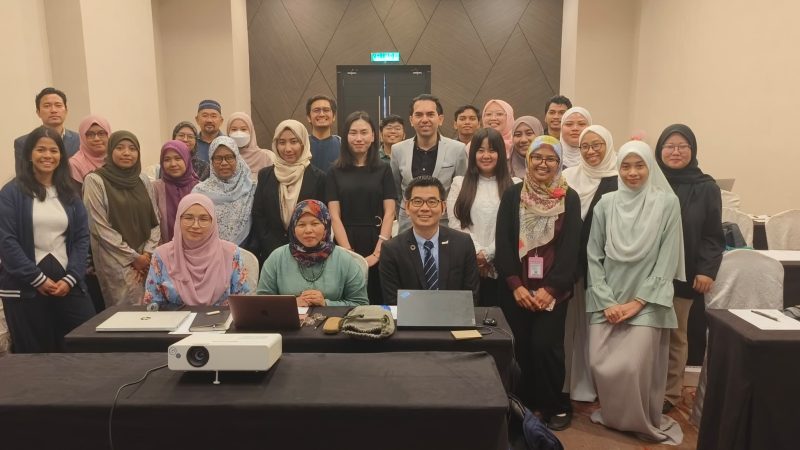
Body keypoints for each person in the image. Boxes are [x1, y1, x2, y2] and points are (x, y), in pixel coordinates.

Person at [585, 140, 685, 445]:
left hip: (648, 300)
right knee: (600, 364)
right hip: (608, 297)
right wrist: (607, 300)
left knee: (634, 367)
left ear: (649, 167)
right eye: (626, 166)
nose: (632, 172)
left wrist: (638, 302)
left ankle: (640, 420)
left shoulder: (667, 203)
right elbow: (593, 254)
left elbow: (668, 257)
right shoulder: (606, 204)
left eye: (639, 165)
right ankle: (614, 416)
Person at [494, 135, 582, 431]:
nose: (543, 164)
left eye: (550, 159)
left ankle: (554, 405)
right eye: (537, 157)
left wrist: (551, 289)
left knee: (546, 347)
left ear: (559, 163)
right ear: (528, 160)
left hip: (552, 291)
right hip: (517, 289)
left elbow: (571, 248)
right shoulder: (513, 194)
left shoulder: (569, 197)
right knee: (518, 347)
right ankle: (523, 404)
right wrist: (516, 285)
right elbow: (503, 242)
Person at [0, 126, 95, 352]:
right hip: (26, 288)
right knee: (36, 357)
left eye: (53, 150)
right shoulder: (11, 192)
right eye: (40, 150)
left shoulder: (69, 193)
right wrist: (38, 279)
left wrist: (71, 277)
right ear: (29, 155)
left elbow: (82, 238)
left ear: (61, 155)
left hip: (68, 283)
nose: (47, 156)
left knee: (87, 342)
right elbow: (6, 241)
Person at [655, 124, 724, 414]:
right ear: (659, 150)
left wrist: (706, 270)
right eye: (669, 146)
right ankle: (643, 385)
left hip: (683, 273)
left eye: (682, 146)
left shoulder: (706, 187)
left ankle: (670, 392)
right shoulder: (650, 180)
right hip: (647, 272)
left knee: (675, 334)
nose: (675, 152)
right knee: (645, 334)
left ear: (692, 150)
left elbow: (712, 235)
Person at [562, 125, 618, 403]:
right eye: (585, 146)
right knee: (571, 326)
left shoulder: (618, 179)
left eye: (597, 145)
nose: (591, 151)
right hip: (570, 265)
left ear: (608, 145)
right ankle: (570, 381)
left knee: (598, 328)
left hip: (606, 268)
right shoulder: (568, 177)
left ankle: (598, 385)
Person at [83, 131, 160, 307]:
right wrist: (134, 258)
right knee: (127, 312)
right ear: (110, 151)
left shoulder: (142, 179)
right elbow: (98, 227)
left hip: (146, 258)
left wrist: (147, 254)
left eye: (132, 149)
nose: (126, 153)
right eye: (120, 148)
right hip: (115, 260)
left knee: (152, 309)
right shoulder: (95, 180)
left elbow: (155, 219)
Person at [327, 112, 396, 304]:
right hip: (345, 240)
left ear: (373, 136)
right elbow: (334, 215)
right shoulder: (334, 171)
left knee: (378, 297)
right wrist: (348, 253)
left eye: (364, 132)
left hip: (379, 238)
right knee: (347, 298)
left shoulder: (384, 169)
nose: (359, 138)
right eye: (353, 133)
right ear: (345, 136)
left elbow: (390, 212)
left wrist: (377, 253)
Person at [380, 176, 480, 305]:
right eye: (417, 201)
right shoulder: (392, 249)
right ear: (407, 207)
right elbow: (393, 299)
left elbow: (471, 296)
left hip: (454, 314)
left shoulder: (463, 244)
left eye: (432, 202)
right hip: (410, 316)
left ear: (443, 207)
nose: (425, 208)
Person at [447, 128, 519, 307]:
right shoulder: (459, 184)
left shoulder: (515, 185)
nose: (486, 155)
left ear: (501, 153)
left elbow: (514, 228)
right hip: (467, 264)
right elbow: (456, 224)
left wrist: (488, 254)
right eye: (481, 150)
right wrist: (477, 253)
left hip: (504, 267)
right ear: (473, 154)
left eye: (492, 150)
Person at [143, 193, 250, 308]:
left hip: (220, 319)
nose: (195, 225)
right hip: (174, 319)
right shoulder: (162, 255)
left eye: (203, 219)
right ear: (178, 219)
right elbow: (152, 305)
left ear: (213, 222)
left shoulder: (231, 254)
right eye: (188, 218)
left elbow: (242, 303)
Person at [257, 200, 368, 306]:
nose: (308, 230)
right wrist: (291, 304)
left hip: (334, 319)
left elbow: (361, 304)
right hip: (288, 319)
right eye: (301, 225)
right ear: (293, 228)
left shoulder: (344, 259)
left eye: (315, 223)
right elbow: (262, 302)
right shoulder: (277, 258)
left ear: (326, 226)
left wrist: (326, 303)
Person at [252, 119, 326, 263]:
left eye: (294, 141)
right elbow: (258, 214)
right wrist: (270, 244)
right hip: (272, 252)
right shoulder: (265, 175)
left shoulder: (319, 178)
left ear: (303, 143)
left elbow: (322, 218)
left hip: (308, 252)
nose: (288, 149)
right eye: (282, 142)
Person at [390, 94, 467, 232]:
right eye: (419, 115)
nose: (424, 119)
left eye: (430, 114)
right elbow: (396, 192)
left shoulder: (457, 149)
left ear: (440, 119)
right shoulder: (398, 150)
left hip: (444, 223)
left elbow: (462, 190)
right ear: (411, 120)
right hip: (408, 224)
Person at [192, 136, 255, 245]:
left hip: (246, 251)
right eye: (218, 158)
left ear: (238, 159)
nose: (224, 163)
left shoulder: (251, 189)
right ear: (211, 161)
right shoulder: (199, 192)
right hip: (206, 249)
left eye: (229, 157)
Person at [14, 88, 80, 174]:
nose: (53, 110)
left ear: (66, 111)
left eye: (58, 105)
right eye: (47, 106)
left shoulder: (80, 140)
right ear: (38, 112)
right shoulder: (23, 142)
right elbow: (23, 177)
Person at [152, 140, 199, 243]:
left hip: (195, 247)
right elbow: (151, 223)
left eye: (178, 158)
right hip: (163, 248)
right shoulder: (155, 188)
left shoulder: (199, 188)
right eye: (167, 159)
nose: (173, 164)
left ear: (187, 159)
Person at [227, 111, 274, 180]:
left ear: (251, 132)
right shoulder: (224, 158)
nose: (239, 133)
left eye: (243, 129)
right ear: (228, 132)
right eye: (234, 129)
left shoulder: (266, 157)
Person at [69, 115, 111, 184]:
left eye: (101, 133)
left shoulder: (116, 158)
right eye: (90, 135)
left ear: (108, 135)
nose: (97, 139)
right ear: (82, 137)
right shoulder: (75, 164)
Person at [306, 95, 339, 173]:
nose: (321, 114)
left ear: (334, 116)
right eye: (316, 110)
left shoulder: (343, 144)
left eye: (326, 110)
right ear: (309, 117)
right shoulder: (301, 144)